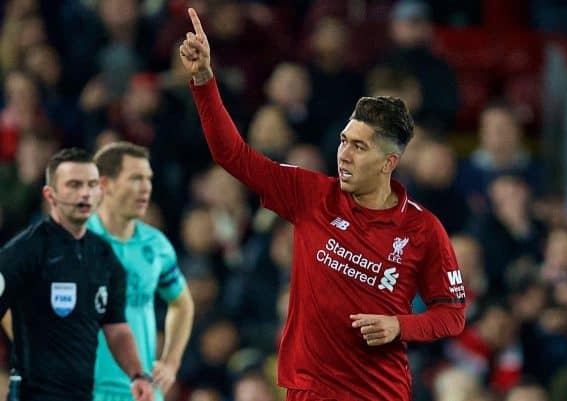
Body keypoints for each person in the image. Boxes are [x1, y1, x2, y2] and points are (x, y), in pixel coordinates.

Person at [180, 8, 466, 401]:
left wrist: (401, 326)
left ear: (389, 163)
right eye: (344, 141)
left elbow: (452, 314)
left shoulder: (422, 229)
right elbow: (233, 155)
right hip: (308, 390)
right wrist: (203, 79)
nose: (344, 154)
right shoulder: (310, 194)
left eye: (359, 147)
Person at [0, 148, 153, 401]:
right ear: (51, 195)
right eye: (74, 184)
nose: (85, 193)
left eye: (92, 185)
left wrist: (137, 374)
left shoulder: (105, 256)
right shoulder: (25, 251)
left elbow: (116, 326)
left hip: (81, 394)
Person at [90, 142, 194, 401]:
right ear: (105, 184)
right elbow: (14, 292)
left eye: (148, 178)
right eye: (135, 178)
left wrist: (171, 362)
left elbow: (182, 304)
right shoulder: (74, 241)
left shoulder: (155, 245)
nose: (146, 187)